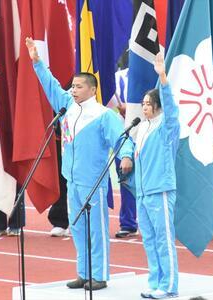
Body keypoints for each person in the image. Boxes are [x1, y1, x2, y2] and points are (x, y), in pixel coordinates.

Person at [26, 37, 134, 291]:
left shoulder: (103, 115)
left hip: (93, 180)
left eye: (78, 87)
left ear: (92, 89)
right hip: (72, 179)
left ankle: (100, 275)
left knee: (96, 229)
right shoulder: (67, 107)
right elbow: (51, 86)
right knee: (77, 229)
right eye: (72, 86)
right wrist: (38, 62)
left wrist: (126, 155)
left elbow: (121, 138)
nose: (73, 90)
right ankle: (83, 273)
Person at [134, 52, 180, 299]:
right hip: (143, 192)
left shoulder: (166, 126)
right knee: (149, 240)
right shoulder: (141, 128)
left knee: (164, 239)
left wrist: (162, 77)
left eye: (148, 103)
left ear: (157, 106)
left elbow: (171, 109)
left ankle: (169, 285)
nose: (144, 107)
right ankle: (155, 281)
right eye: (142, 104)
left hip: (160, 189)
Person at [111, 68, 139, 239]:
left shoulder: (154, 72)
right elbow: (108, 101)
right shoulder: (119, 77)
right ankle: (128, 223)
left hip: (149, 134)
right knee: (126, 179)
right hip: (123, 134)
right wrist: (119, 107)